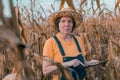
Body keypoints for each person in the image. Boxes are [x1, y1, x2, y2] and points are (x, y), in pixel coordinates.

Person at [42, 8, 99, 80]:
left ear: (73, 25)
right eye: (63, 21)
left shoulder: (78, 40)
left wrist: (90, 63)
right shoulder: (50, 42)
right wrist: (68, 64)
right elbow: (46, 71)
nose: (67, 24)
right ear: (58, 24)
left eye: (70, 21)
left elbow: (82, 63)